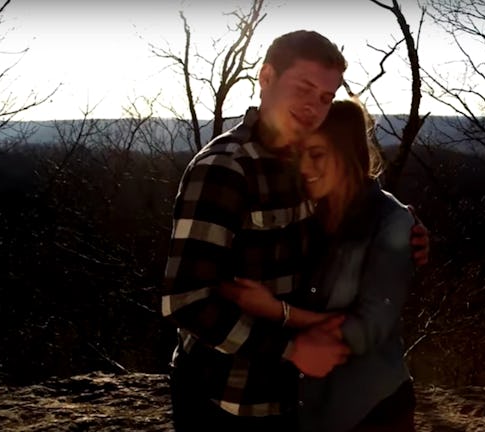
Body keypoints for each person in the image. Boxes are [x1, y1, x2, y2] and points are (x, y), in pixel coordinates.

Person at [160, 30, 428, 432]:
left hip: (295, 402)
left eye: (325, 97)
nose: (314, 106)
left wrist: (407, 231)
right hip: (226, 401)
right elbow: (185, 301)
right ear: (266, 77)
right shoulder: (224, 167)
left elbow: (357, 203)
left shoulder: (299, 165)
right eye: (304, 88)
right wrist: (290, 348)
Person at [221, 99, 418, 432]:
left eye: (317, 154)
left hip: (374, 411)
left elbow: (366, 330)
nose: (304, 167)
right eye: (299, 155)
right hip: (308, 410)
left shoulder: (391, 222)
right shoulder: (303, 214)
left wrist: (278, 312)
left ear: (348, 152)